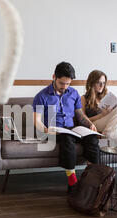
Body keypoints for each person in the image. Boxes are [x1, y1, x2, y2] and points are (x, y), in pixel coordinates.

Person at [33, 62, 99, 191]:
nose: (65, 86)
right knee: (67, 139)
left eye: (68, 83)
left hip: (71, 128)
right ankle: (72, 182)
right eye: (62, 83)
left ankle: (90, 178)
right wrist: (46, 130)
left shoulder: (73, 93)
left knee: (92, 138)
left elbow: (79, 115)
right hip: (54, 130)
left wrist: (90, 124)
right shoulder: (41, 96)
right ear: (54, 77)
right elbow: (37, 120)